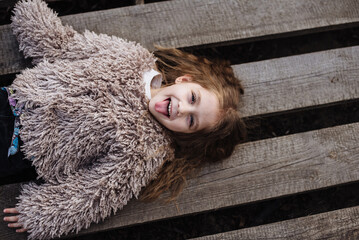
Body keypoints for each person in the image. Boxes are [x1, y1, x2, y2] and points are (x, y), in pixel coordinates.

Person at [2, 0, 246, 239]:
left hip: (18, 146)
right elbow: (67, 47)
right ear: (185, 80)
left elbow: (96, 193)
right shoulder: (132, 58)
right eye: (193, 98)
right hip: (14, 97)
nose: (182, 109)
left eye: (191, 121)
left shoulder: (145, 151)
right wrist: (31, 16)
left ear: (186, 135)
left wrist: (41, 214)